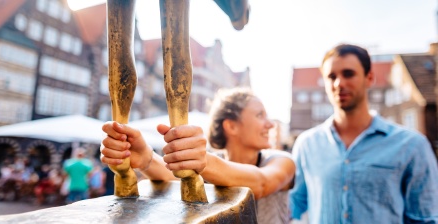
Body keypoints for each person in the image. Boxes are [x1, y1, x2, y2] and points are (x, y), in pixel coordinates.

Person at [289, 44, 438, 223]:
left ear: (369, 78)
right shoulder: (307, 144)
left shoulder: (412, 146)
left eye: (348, 74)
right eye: (331, 76)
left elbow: (425, 218)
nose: (339, 83)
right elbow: (293, 205)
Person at [100, 87, 295, 224]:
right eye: (260, 115)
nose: (270, 124)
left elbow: (261, 184)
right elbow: (175, 177)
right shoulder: (211, 170)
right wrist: (146, 159)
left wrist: (202, 161)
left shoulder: (282, 161)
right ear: (231, 126)